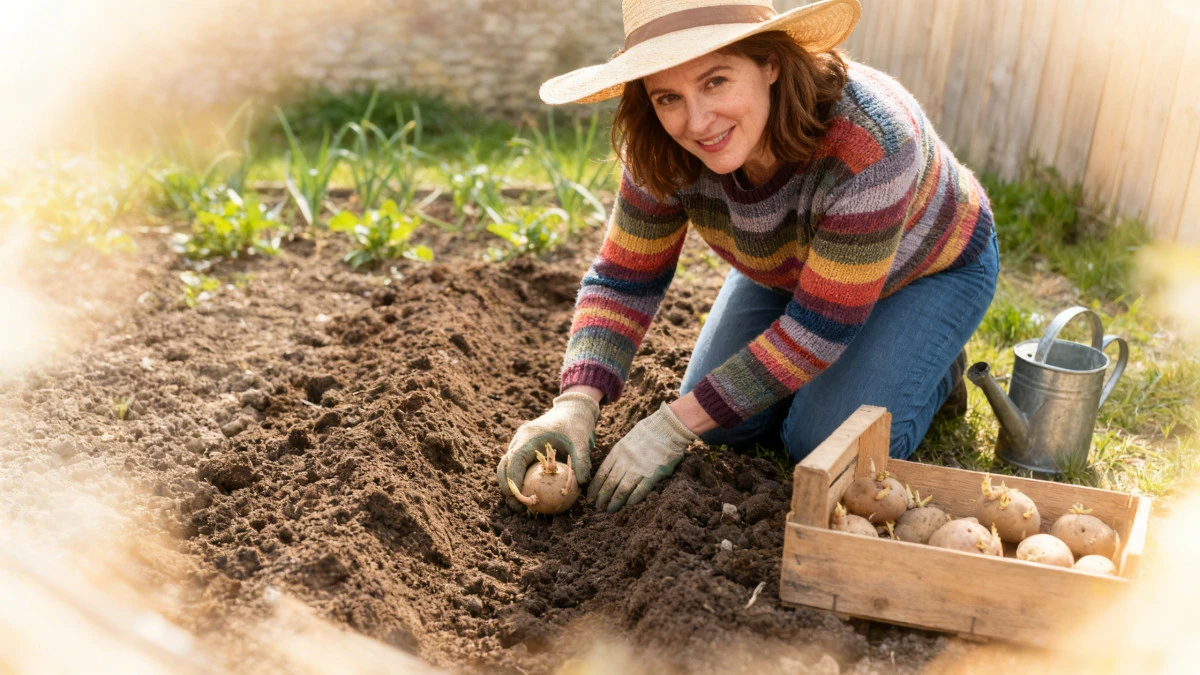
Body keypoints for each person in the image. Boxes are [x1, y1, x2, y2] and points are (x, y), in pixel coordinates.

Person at [497, 0, 999, 514]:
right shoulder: (659, 146)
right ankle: (858, 369)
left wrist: (674, 424)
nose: (697, 121)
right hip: (789, 268)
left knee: (818, 445)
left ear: (770, 62)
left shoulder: (871, 143)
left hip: (928, 269)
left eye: (716, 81)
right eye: (669, 96)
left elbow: (817, 329)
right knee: (725, 429)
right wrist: (577, 403)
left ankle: (935, 368)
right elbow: (626, 278)